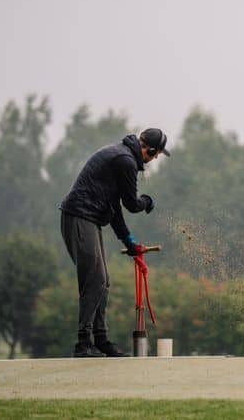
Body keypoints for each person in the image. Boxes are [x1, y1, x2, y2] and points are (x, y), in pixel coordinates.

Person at [59, 128, 170, 357]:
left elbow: (115, 209)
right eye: (155, 154)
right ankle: (83, 344)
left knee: (104, 281)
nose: (154, 159)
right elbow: (131, 204)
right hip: (79, 217)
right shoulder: (126, 161)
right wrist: (146, 201)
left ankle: (100, 340)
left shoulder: (122, 157)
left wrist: (130, 242)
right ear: (147, 149)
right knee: (95, 279)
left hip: (89, 219)